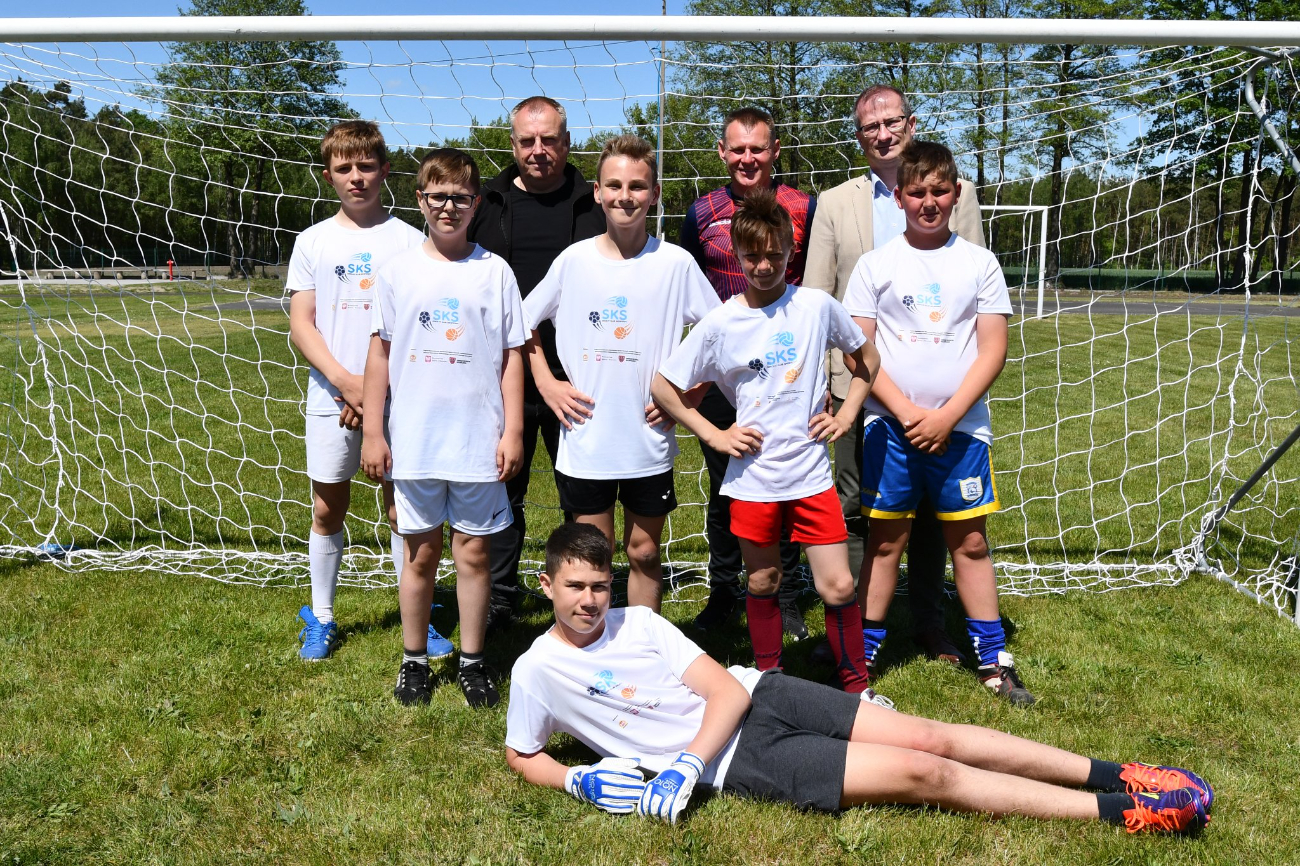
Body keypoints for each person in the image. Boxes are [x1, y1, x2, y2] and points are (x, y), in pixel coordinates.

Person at [504, 522, 1212, 835]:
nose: (590, 601)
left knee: (931, 734)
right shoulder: (536, 670)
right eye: (576, 587)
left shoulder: (638, 621)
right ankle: (1122, 813)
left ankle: (1120, 773)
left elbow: (724, 689)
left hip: (760, 696)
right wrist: (576, 780)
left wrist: (682, 765)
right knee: (924, 772)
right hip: (743, 762)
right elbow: (522, 752)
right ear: (547, 586)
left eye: (600, 585)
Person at [651, 191, 881, 696]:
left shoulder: (816, 306)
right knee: (762, 581)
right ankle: (769, 683)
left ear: (790, 250)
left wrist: (846, 414)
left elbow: (868, 359)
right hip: (754, 480)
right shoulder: (721, 322)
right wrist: (714, 433)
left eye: (774, 253)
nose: (763, 265)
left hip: (810, 476)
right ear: (736, 254)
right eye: (752, 255)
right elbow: (664, 387)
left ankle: (856, 689)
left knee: (838, 585)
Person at [805, 84, 986, 666]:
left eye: (891, 122)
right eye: (870, 126)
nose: (882, 134)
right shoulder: (835, 203)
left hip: (940, 399)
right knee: (860, 509)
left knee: (936, 516)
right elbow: (818, 298)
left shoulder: (959, 194)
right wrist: (824, 386)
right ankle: (854, 628)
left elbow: (973, 294)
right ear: (859, 137)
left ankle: (930, 625)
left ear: (910, 124)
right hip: (859, 391)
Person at [843, 140, 1028, 704]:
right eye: (917, 192)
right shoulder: (875, 265)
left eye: (940, 191)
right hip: (889, 427)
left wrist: (947, 416)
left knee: (969, 541)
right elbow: (859, 353)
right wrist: (905, 413)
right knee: (885, 542)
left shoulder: (979, 263)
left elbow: (993, 349)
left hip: (961, 430)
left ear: (956, 193)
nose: (929, 202)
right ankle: (861, 661)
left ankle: (993, 659)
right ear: (898, 196)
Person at [522, 135, 719, 612]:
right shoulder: (574, 261)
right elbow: (520, 323)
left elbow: (720, 335)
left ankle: (644, 644)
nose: (624, 196)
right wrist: (547, 383)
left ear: (654, 194)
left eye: (637, 186)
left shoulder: (675, 263)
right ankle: (597, 644)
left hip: (647, 437)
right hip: (587, 437)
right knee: (595, 555)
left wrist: (690, 397)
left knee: (644, 551)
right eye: (614, 185)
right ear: (597, 192)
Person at [361, 148, 525, 708]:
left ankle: (473, 662)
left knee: (473, 553)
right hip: (416, 442)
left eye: (460, 197)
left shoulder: (494, 272)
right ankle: (414, 660)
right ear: (420, 200)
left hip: (478, 441)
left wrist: (513, 431)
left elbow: (512, 356)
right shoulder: (397, 272)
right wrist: (375, 433)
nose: (449, 207)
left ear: (476, 203)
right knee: (420, 554)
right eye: (438, 197)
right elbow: (379, 356)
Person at [285, 120, 444, 661]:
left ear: (386, 171)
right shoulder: (312, 241)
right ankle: (323, 616)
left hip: (399, 397)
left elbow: (418, 325)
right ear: (328, 175)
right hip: (331, 395)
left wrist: (374, 392)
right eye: (344, 167)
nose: (356, 177)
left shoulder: (410, 240)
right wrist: (346, 383)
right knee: (327, 507)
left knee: (404, 511)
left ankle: (416, 616)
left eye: (367, 166)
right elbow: (302, 324)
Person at [468, 95, 606, 632]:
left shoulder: (595, 204)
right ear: (513, 145)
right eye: (527, 140)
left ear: (567, 143)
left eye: (549, 139)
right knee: (503, 489)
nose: (538, 150)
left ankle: (586, 599)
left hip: (580, 381)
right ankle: (499, 599)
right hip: (501, 377)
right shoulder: (486, 204)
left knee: (583, 495)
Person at [679, 106, 814, 639]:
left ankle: (787, 595)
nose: (748, 158)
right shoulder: (702, 212)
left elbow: (815, 290)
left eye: (758, 148)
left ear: (775, 151)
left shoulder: (803, 208)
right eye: (738, 149)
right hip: (723, 379)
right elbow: (688, 295)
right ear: (722, 152)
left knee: (786, 485)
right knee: (725, 490)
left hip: (784, 374)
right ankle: (724, 593)